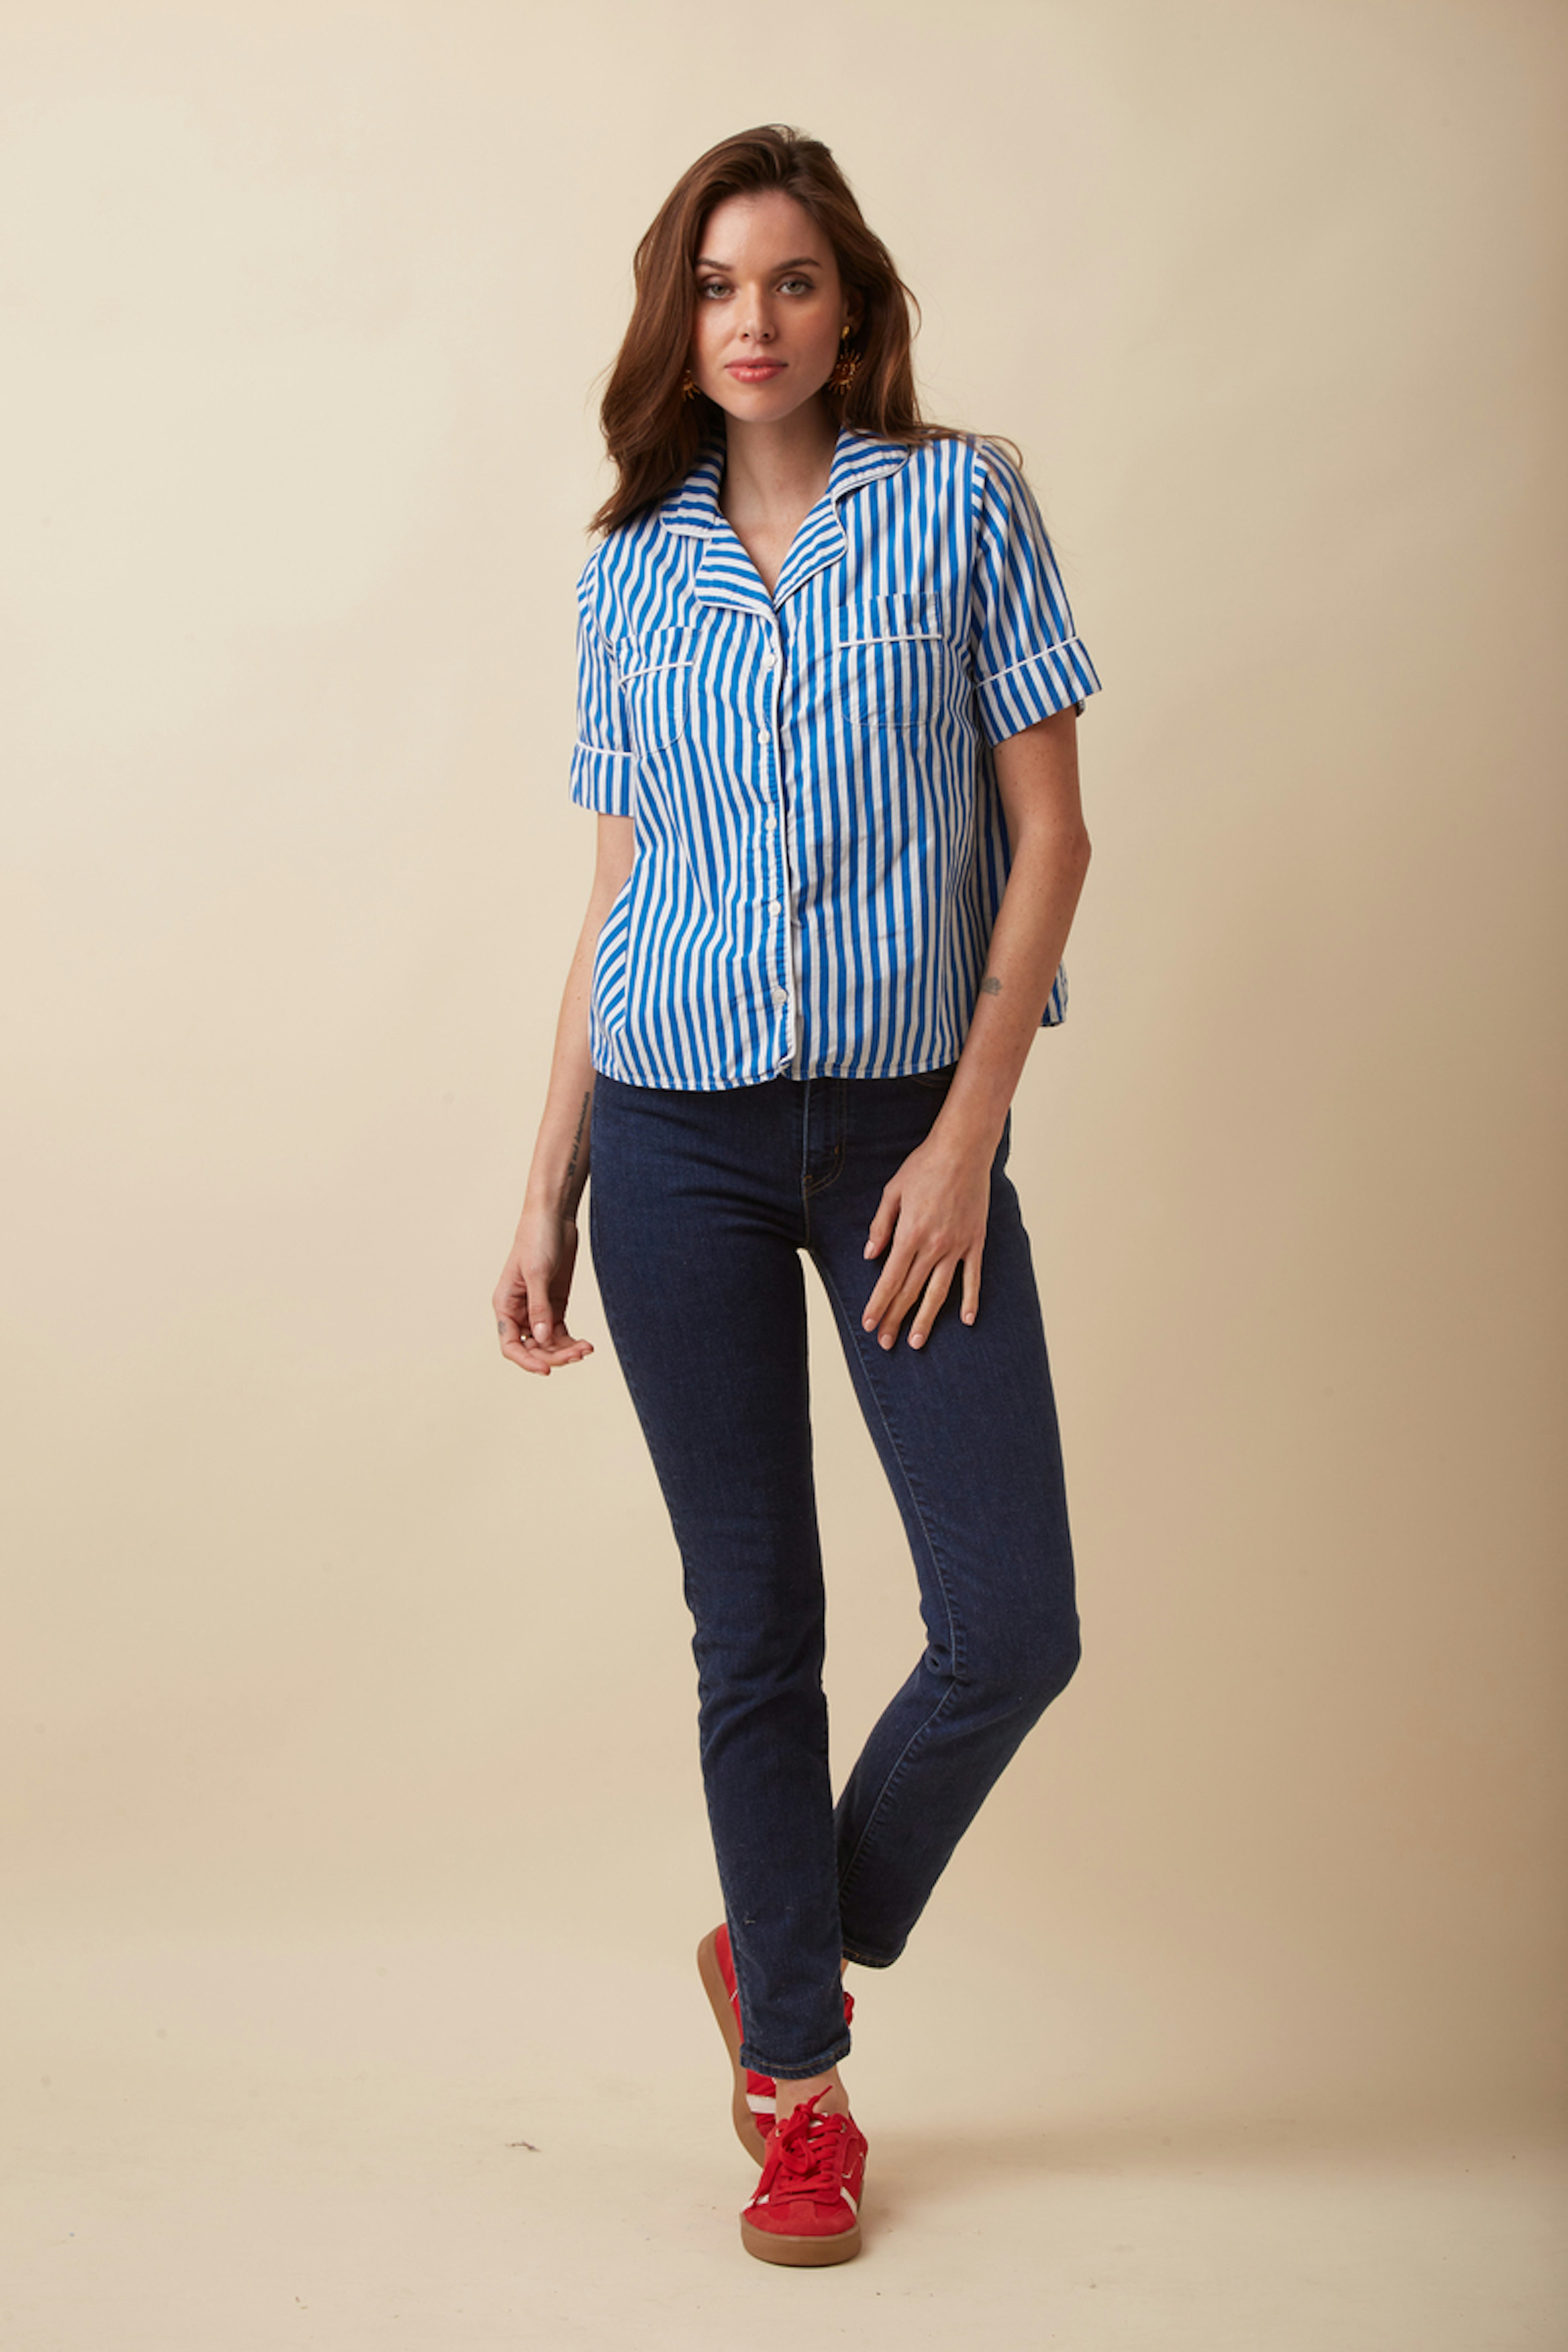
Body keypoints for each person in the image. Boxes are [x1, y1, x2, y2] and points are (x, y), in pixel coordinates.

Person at [492, 123, 1099, 2268]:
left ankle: (775, 1953)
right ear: (679, 320)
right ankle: (800, 2097)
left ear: (855, 311)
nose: (752, 320)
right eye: (717, 285)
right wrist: (548, 1181)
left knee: (1012, 1625)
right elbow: (621, 892)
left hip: (909, 1129)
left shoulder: (961, 505)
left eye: (793, 281)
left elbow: (1053, 838)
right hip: (674, 1140)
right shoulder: (626, 570)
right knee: (756, 1625)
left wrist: (970, 1130)